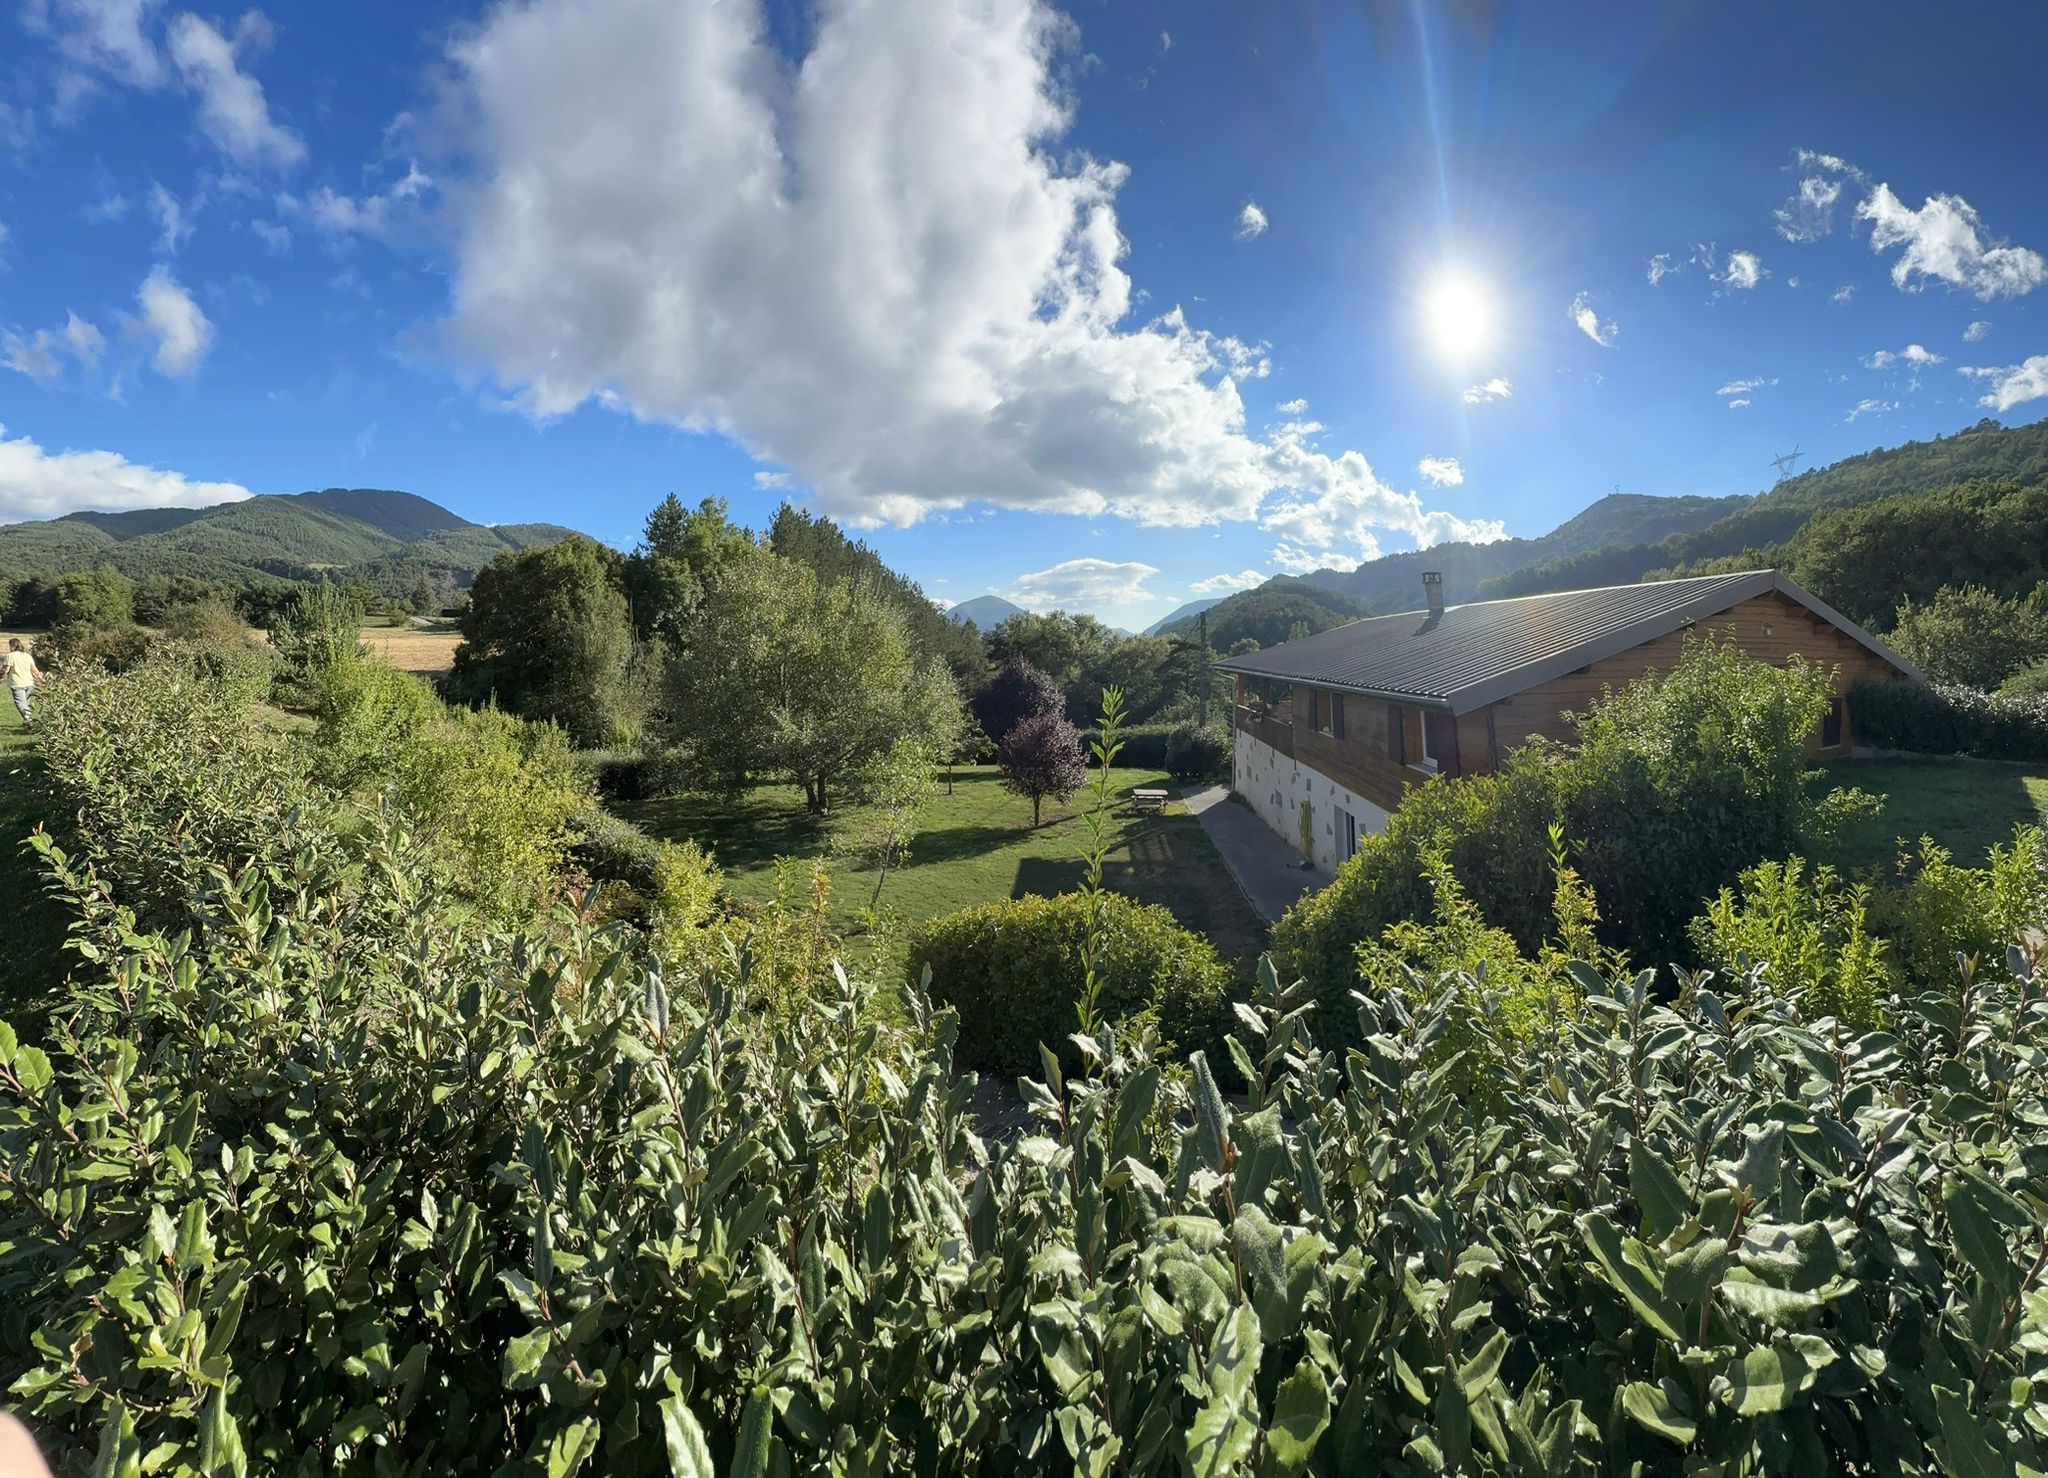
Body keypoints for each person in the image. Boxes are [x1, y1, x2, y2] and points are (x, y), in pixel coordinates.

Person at [4, 639, 41, 730]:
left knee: (20, 703)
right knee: (26, 703)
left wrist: (2, 675)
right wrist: (41, 679)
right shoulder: (27, 656)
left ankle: (29, 720)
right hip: (29, 683)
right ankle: (26, 722)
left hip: (17, 683)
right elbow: (34, 670)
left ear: (12, 646)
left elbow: (6, 670)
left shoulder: (10, 656)